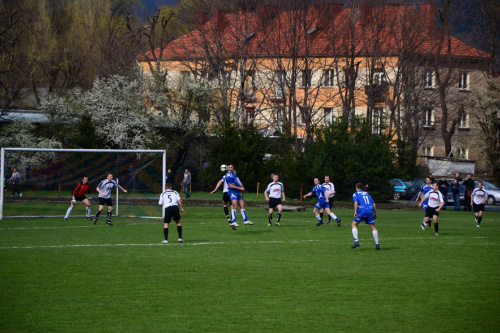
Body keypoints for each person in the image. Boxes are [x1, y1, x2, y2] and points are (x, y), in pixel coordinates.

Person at [351, 183, 379, 249]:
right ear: (362, 187)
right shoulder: (367, 193)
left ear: (356, 187)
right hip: (370, 210)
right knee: (372, 226)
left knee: (354, 225)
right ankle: (377, 244)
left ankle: (356, 242)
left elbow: (356, 202)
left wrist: (355, 212)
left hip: (361, 210)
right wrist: (375, 213)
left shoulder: (355, 194)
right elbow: (374, 203)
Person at [225, 164, 253, 229]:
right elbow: (231, 185)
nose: (230, 168)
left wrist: (240, 187)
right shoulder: (228, 175)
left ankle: (246, 220)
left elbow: (237, 181)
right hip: (232, 192)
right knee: (235, 205)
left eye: (231, 167)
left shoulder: (234, 174)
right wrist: (240, 188)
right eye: (229, 167)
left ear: (233, 168)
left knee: (242, 205)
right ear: (227, 169)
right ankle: (233, 221)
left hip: (237, 191)